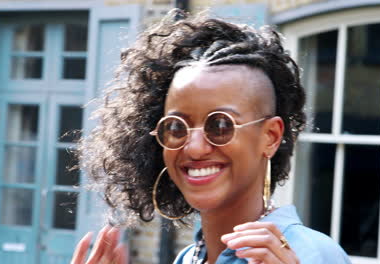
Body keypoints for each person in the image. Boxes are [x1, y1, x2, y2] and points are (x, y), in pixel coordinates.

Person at [71, 9, 352, 264]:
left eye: (220, 125)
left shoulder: (311, 254)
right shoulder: (190, 257)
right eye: (176, 127)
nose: (193, 148)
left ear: (270, 136)